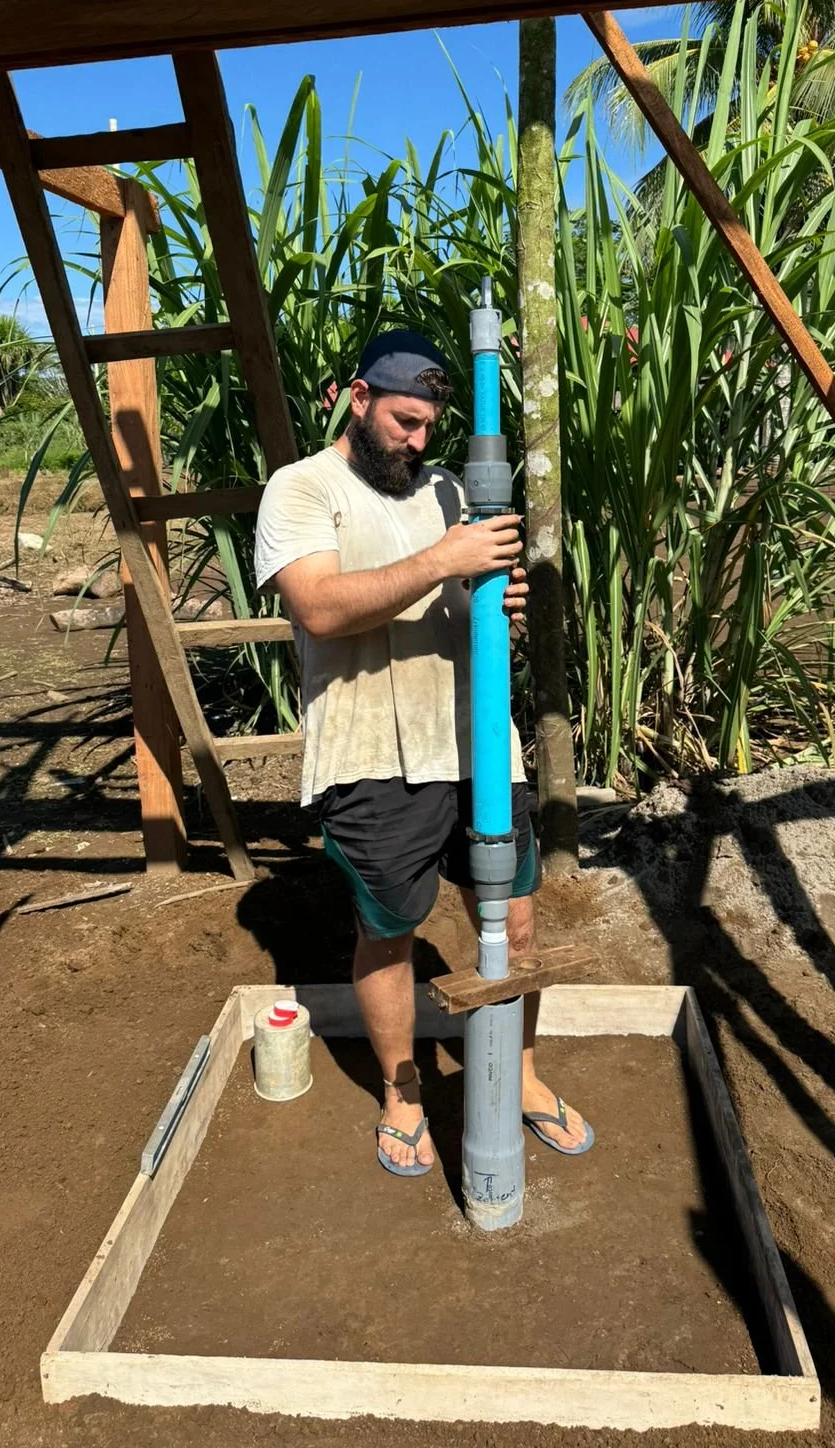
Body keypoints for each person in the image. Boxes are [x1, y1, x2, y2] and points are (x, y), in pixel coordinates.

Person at [254, 328, 593, 1178]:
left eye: (429, 427)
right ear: (358, 398)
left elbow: (467, 601)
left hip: (479, 747)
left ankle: (522, 1075)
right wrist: (446, 557)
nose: (416, 440)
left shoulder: (450, 491)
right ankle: (403, 1092)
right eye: (403, 421)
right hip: (371, 750)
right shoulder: (302, 487)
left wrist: (496, 602)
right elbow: (320, 607)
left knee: (517, 918)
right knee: (389, 930)